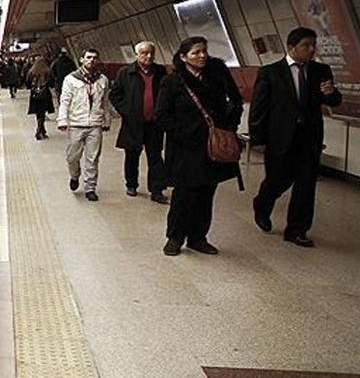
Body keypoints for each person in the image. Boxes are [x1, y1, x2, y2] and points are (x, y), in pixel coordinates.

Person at [249, 27, 343, 247]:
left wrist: (331, 94)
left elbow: (333, 100)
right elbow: (258, 108)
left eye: (313, 45)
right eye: (306, 45)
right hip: (279, 138)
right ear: (291, 47)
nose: (311, 50)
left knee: (306, 185)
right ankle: (262, 204)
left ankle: (296, 230)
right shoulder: (270, 72)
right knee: (277, 181)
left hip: (309, 138)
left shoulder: (321, 70)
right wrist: (257, 139)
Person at [156, 37, 243, 256]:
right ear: (183, 57)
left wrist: (229, 127)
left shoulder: (217, 76)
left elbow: (235, 101)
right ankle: (175, 237)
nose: (202, 56)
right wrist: (183, 134)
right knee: (184, 194)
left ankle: (198, 237)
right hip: (185, 148)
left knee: (206, 193)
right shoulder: (172, 82)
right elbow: (162, 115)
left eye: (204, 51)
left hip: (212, 146)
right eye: (196, 52)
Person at [109, 41, 169, 203]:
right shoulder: (126, 72)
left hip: (154, 124)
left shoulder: (160, 71)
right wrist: (126, 111)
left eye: (151, 53)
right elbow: (114, 94)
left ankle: (156, 190)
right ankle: (131, 184)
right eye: (144, 53)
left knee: (155, 157)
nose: (148, 56)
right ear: (137, 55)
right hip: (133, 123)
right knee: (132, 155)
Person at [57, 48, 112, 201]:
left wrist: (106, 120)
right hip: (76, 123)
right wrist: (62, 120)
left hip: (95, 124)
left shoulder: (103, 80)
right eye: (88, 57)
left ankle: (90, 188)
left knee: (92, 158)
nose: (91, 60)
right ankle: (75, 175)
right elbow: (65, 101)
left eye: (94, 58)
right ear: (81, 59)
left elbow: (105, 102)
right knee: (72, 157)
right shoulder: (71, 79)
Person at [26, 57, 54, 140]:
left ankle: (42, 130)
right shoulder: (48, 71)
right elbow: (52, 83)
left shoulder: (31, 71)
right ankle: (39, 131)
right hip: (45, 95)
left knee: (38, 113)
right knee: (42, 113)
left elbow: (28, 83)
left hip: (34, 95)